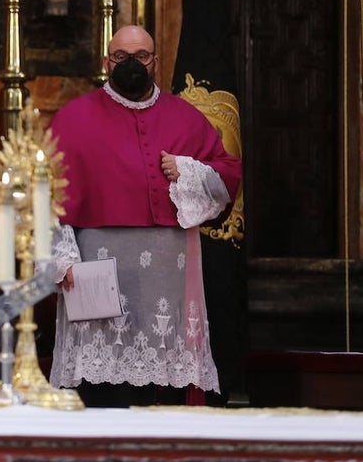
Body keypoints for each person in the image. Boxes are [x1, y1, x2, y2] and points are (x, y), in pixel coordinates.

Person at [47, 25, 242, 407]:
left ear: (155, 61)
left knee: (163, 384)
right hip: (97, 265)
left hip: (168, 275)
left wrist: (187, 170)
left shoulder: (185, 117)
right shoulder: (73, 118)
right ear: (107, 62)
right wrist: (62, 256)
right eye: (121, 56)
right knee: (102, 388)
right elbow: (44, 193)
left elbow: (227, 175)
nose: (131, 64)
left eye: (141, 56)